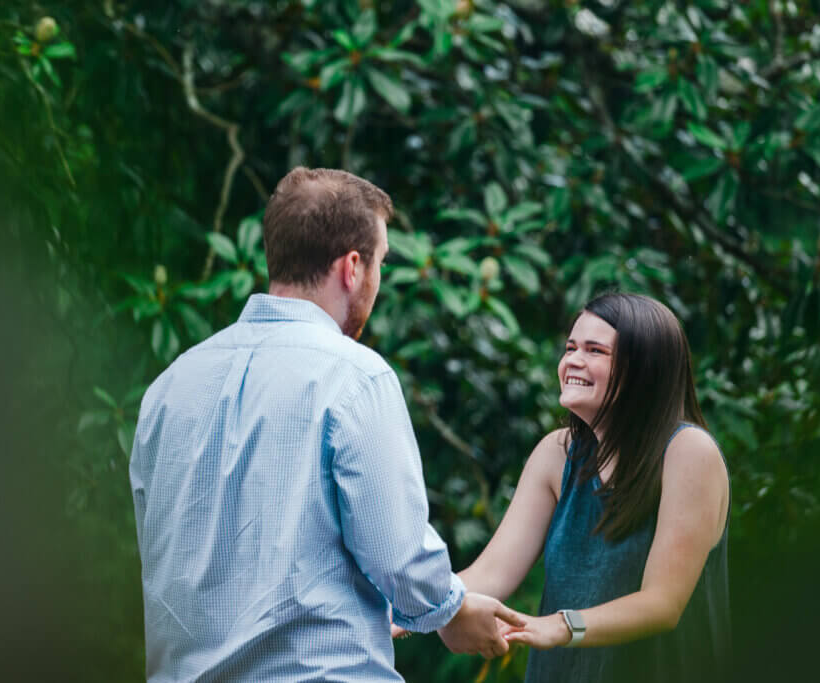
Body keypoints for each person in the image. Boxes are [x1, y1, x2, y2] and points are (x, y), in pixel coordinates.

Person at [129, 167, 524, 682]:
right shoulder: (355, 377)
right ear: (352, 267)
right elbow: (400, 559)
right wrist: (450, 611)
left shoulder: (168, 387)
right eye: (381, 263)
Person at [459, 292, 732, 682]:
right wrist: (409, 605)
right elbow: (491, 572)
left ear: (642, 368)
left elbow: (663, 603)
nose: (572, 360)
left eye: (594, 350)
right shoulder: (556, 454)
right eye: (570, 347)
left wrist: (562, 626)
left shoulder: (689, 453)